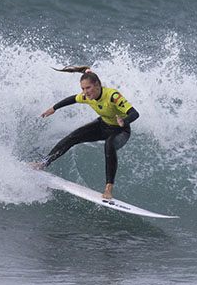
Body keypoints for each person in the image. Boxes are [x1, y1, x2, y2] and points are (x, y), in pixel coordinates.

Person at [31, 66, 139, 199]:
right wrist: (54, 108)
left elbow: (134, 113)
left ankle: (109, 188)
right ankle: (43, 163)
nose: (85, 92)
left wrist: (125, 121)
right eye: (83, 89)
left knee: (109, 145)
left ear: (97, 85)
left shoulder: (113, 96)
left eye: (88, 88)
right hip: (103, 126)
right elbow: (72, 99)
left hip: (121, 131)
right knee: (73, 136)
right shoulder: (87, 96)